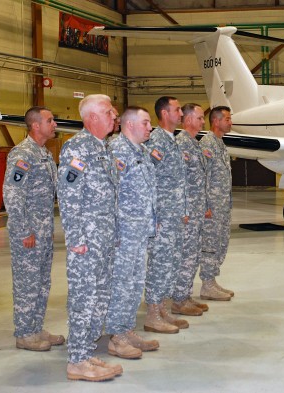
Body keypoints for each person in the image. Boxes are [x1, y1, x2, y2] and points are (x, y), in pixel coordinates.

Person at [58, 94, 122, 381]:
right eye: (109, 112)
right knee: (84, 298)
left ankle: (86, 352)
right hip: (87, 241)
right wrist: (76, 239)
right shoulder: (76, 148)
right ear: (92, 118)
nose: (115, 115)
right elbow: (69, 197)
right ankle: (76, 361)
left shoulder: (103, 148)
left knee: (99, 297)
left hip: (104, 239)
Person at [3, 106, 64, 351]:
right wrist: (24, 230)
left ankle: (37, 328)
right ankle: (25, 333)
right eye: (50, 120)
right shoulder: (23, 154)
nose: (55, 124)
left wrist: (45, 228)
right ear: (36, 125)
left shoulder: (45, 154)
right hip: (27, 233)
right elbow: (13, 195)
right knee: (27, 283)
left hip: (43, 231)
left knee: (41, 282)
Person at [106, 107, 161, 359]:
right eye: (146, 122)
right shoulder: (116, 151)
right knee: (121, 284)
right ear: (129, 125)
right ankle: (117, 337)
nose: (150, 127)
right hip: (123, 233)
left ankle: (127, 330)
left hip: (139, 232)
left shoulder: (140, 151)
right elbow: (109, 195)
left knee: (134, 283)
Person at [144, 96, 190, 329]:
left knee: (170, 263)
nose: (181, 114)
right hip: (162, 217)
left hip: (174, 216)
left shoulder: (173, 141)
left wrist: (182, 210)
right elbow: (148, 180)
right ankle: (152, 314)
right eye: (177, 109)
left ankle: (162, 307)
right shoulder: (156, 141)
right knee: (159, 263)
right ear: (164, 114)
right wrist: (154, 217)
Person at [171, 103, 210, 316]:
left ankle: (185, 295)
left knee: (193, 255)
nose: (203, 122)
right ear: (187, 120)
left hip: (196, 211)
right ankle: (178, 299)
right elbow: (180, 181)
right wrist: (184, 210)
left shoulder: (193, 144)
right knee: (185, 255)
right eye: (200, 118)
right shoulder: (181, 144)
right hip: (187, 213)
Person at [199, 106, 234, 301]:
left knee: (220, 243)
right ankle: (206, 285)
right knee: (210, 245)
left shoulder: (220, 144)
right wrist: (206, 207)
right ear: (216, 121)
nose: (230, 122)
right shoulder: (207, 144)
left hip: (222, 205)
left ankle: (212, 281)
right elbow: (202, 177)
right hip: (212, 207)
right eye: (227, 119)